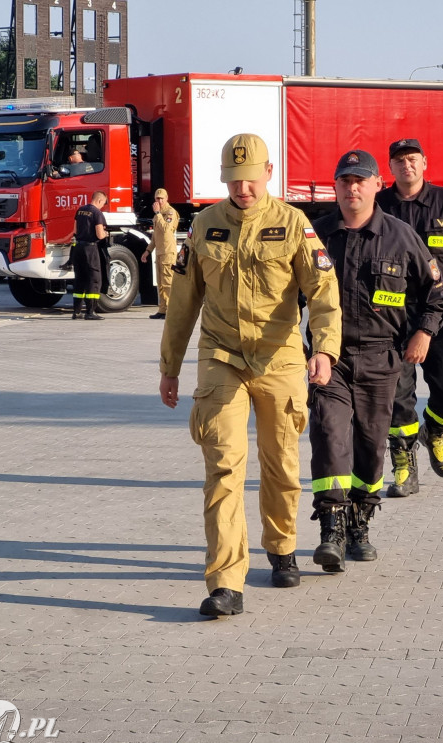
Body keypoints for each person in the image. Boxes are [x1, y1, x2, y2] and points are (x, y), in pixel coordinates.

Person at [158, 133, 342, 617]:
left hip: (280, 360)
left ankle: (282, 548)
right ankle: (226, 582)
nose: (243, 188)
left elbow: (323, 289)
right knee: (223, 468)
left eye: (251, 177)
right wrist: (169, 368)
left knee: (281, 465)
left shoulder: (293, 224)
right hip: (221, 358)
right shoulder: (204, 225)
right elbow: (182, 303)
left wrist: (324, 348)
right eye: (234, 180)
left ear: (269, 172)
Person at [308, 149, 443, 573]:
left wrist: (423, 332)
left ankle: (360, 524)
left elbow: (438, 295)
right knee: (330, 437)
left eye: (360, 180)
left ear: (375, 186)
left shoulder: (401, 236)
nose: (352, 188)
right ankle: (330, 529)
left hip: (381, 360)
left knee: (371, 450)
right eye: (344, 181)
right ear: (334, 187)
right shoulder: (316, 236)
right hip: (329, 361)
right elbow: (288, 298)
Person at [375, 138, 443, 497]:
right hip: (389, 313)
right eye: (399, 161)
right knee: (396, 392)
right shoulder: (378, 206)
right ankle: (404, 468)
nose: (406, 166)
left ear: (425, 163)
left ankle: (435, 430)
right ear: (389, 168)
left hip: (437, 309)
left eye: (412, 159)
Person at [141, 187, 180, 319]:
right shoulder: (158, 215)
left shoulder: (169, 212)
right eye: (157, 198)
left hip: (168, 252)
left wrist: (158, 214)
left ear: (166, 198)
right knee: (161, 282)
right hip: (159, 252)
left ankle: (171, 310)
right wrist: (148, 251)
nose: (160, 201)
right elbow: (155, 236)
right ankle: (163, 309)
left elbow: (166, 230)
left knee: (168, 282)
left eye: (162, 198)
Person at [71, 191, 108, 320]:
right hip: (90, 249)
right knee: (94, 279)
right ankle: (90, 312)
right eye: (103, 203)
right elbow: (99, 234)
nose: (103, 206)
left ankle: (76, 312)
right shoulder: (97, 213)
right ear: (99, 200)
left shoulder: (80, 210)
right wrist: (106, 234)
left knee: (80, 279)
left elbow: (75, 230)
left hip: (78, 248)